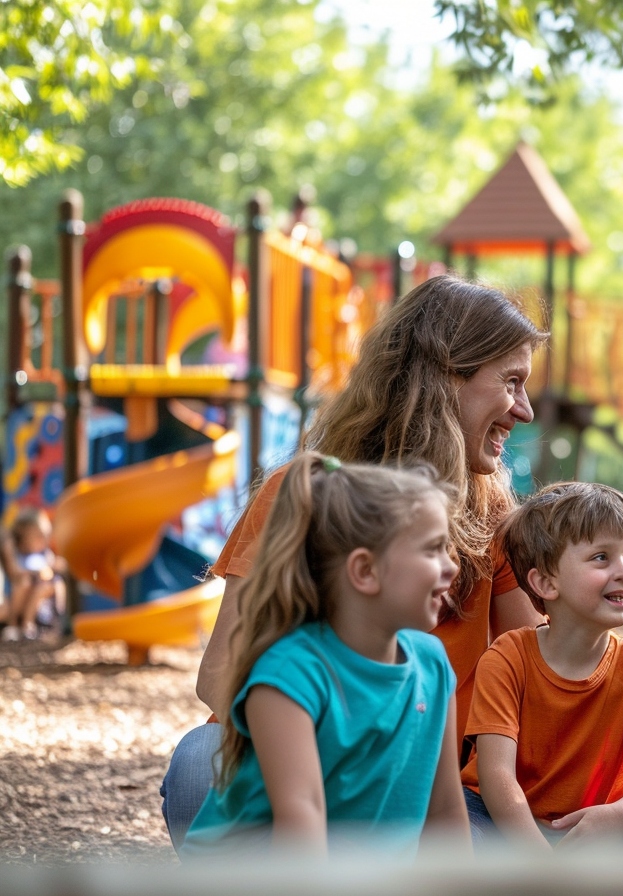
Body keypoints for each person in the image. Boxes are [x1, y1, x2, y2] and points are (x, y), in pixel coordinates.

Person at [161, 276, 546, 849]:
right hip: (301, 754)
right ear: (444, 377)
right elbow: (221, 673)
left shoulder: (493, 512)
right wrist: (349, 752)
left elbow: (536, 675)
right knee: (199, 765)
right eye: (511, 381)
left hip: (423, 775)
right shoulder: (309, 490)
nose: (527, 409)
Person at [180, 454, 469, 857]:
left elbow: (445, 812)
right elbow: (303, 831)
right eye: (433, 550)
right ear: (365, 571)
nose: (451, 568)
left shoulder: (432, 663)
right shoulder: (289, 676)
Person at [459, 482, 623, 847]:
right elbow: (496, 777)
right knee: (453, 827)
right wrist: (541, 862)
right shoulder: (507, 658)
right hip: (500, 821)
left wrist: (620, 813)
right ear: (545, 582)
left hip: (596, 825)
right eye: (601, 557)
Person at [2, 509, 65, 641]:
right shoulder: (19, 556)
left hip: (41, 595)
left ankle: (28, 624)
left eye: (45, 536)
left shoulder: (45, 554)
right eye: (38, 536)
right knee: (24, 583)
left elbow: (57, 567)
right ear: (23, 538)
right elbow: (17, 574)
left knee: (43, 587)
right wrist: (36, 572)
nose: (43, 541)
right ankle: (14, 624)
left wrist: (54, 567)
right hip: (23, 594)